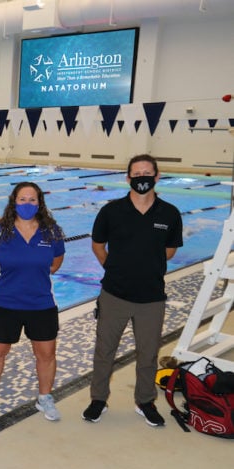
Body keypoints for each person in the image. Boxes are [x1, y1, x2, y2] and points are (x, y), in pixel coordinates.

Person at [83, 154, 183, 427]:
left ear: (157, 176)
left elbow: (170, 251)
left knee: (148, 353)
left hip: (151, 297)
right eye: (136, 174)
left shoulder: (170, 213)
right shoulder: (111, 211)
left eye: (146, 173)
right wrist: (114, 268)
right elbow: (98, 245)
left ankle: (145, 401)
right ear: (128, 178)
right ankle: (98, 400)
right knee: (104, 351)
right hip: (114, 293)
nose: (141, 178)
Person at [0, 182, 66, 422]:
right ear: (14, 201)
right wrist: (6, 276)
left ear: (40, 203)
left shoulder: (51, 231)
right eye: (23, 199)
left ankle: (45, 398)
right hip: (5, 302)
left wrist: (35, 274)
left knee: (46, 354)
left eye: (32, 200)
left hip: (42, 303)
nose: (27, 204)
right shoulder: (0, 231)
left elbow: (56, 261)